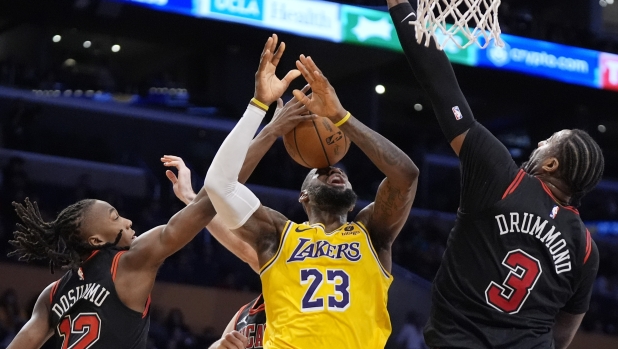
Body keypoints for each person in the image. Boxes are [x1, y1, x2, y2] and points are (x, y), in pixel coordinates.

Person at [6, 93, 314, 349]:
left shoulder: (52, 295)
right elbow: (221, 191)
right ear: (96, 240)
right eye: (115, 218)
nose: (127, 221)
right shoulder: (131, 261)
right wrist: (268, 127)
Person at [386, 1, 604, 348]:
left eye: (548, 142)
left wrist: (400, 9)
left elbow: (442, 88)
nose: (540, 142)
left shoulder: (503, 177)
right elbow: (564, 334)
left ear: (551, 165)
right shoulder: (586, 249)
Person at [204, 34, 419, 348]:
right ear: (303, 195)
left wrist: (340, 116)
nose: (335, 170)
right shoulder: (277, 234)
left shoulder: (372, 233)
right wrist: (264, 116)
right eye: (320, 172)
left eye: (338, 171)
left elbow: (406, 177)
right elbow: (220, 186)